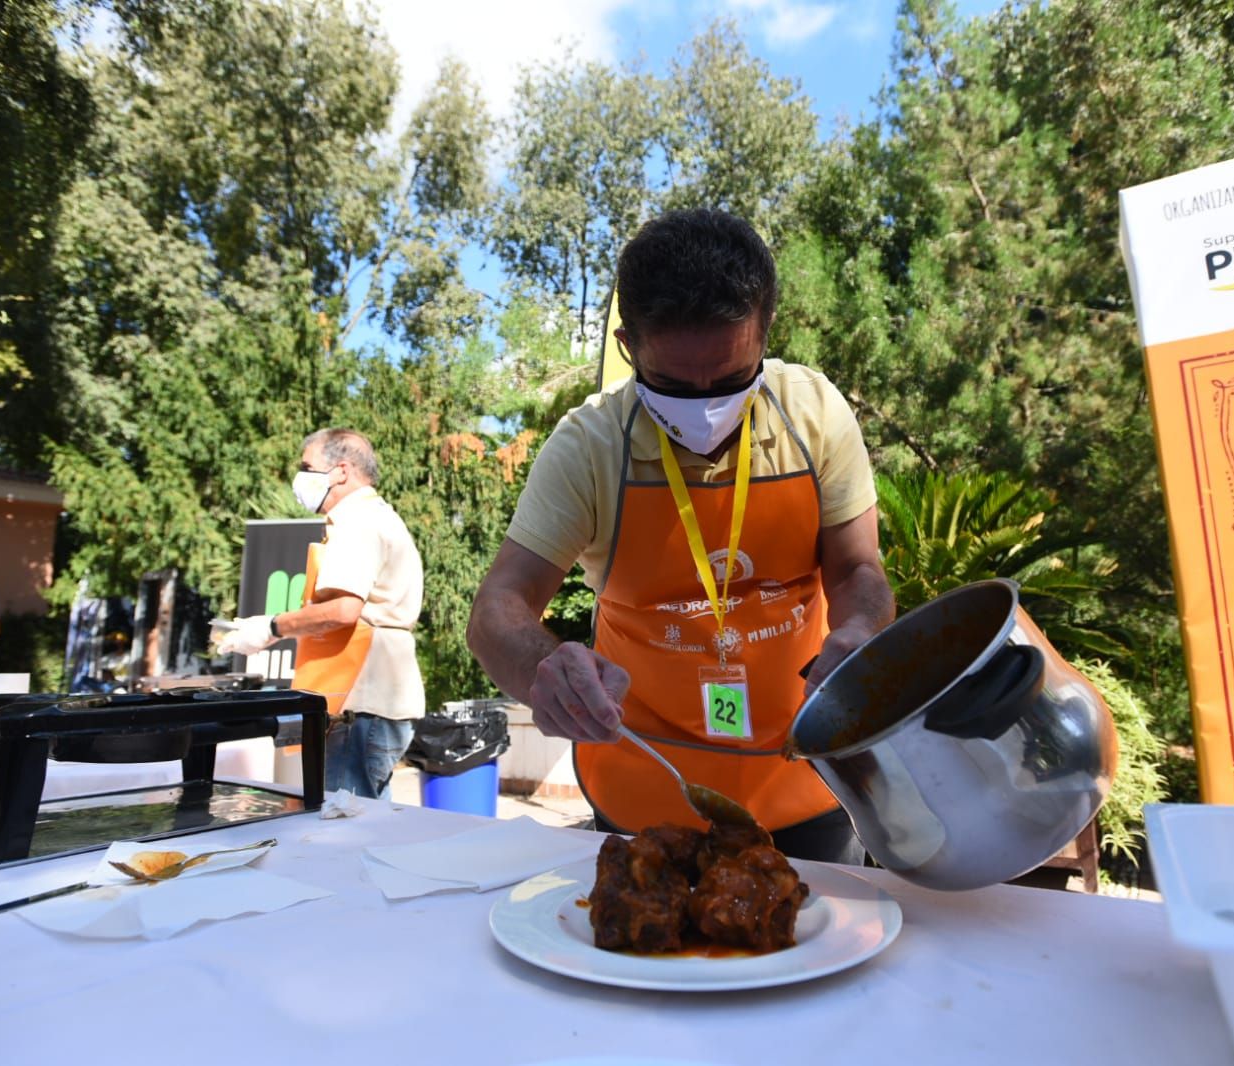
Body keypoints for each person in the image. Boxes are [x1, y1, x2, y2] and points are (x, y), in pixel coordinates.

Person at [467, 208, 894, 863]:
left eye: (730, 382)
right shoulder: (588, 447)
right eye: (668, 385)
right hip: (643, 795)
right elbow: (499, 605)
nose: (705, 411)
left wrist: (861, 632)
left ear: (764, 332)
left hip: (808, 783)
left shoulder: (812, 413)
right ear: (626, 344)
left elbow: (856, 570)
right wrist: (538, 666)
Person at [216, 429, 426, 799]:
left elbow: (345, 610)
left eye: (307, 467)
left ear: (341, 471)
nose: (300, 476)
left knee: (344, 827)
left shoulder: (357, 521)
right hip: (374, 701)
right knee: (364, 824)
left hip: (359, 704)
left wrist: (271, 627)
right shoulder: (375, 517)